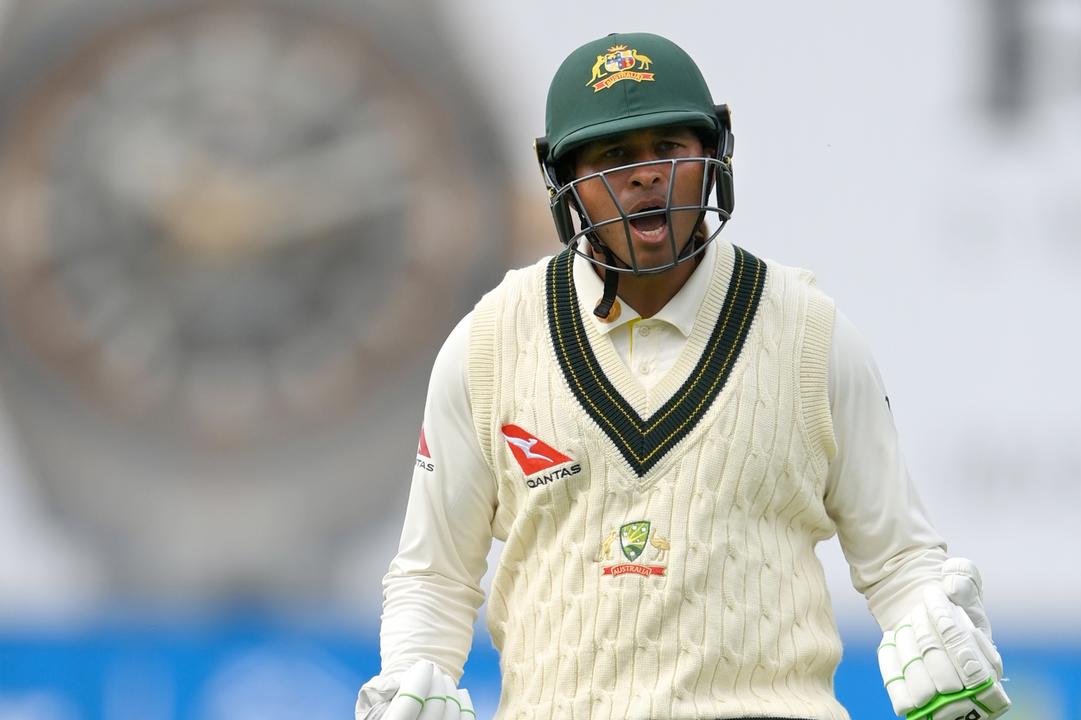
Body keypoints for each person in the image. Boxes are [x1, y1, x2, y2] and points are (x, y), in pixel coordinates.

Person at [356, 31, 1011, 720]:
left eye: (669, 148)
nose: (646, 176)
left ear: (712, 155)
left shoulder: (812, 335)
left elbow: (898, 559)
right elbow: (435, 577)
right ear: (563, 179)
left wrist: (941, 658)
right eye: (614, 156)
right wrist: (409, 678)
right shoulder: (488, 345)